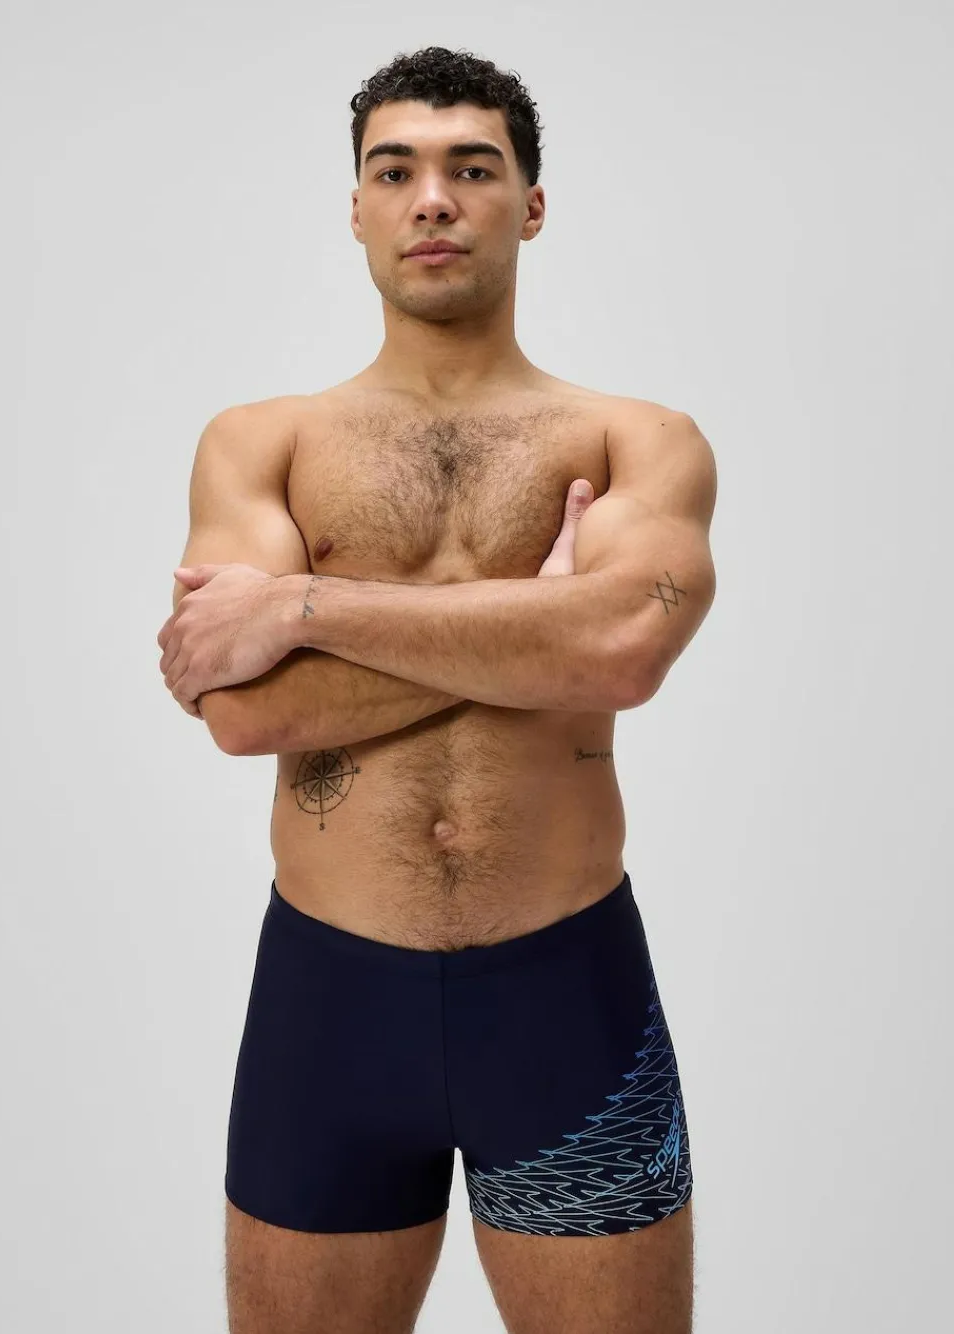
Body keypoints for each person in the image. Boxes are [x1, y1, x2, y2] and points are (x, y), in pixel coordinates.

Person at [156, 44, 717, 1334]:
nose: (432, 199)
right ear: (355, 208)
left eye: (473, 168)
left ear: (531, 204)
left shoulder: (635, 438)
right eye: (394, 170)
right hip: (328, 1004)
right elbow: (244, 711)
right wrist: (537, 623)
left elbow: (622, 653)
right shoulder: (263, 441)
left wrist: (300, 610)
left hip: (567, 995)